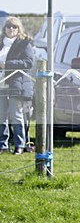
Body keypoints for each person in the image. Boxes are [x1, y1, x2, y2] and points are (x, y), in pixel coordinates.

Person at [0, 17, 34, 155]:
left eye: (14, 26)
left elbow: (28, 62)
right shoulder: (1, 43)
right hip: (1, 84)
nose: (11, 29)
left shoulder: (24, 44)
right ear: (4, 28)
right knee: (2, 116)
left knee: (16, 115)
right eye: (9, 26)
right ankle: (3, 144)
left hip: (16, 84)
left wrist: (7, 65)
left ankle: (19, 145)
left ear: (19, 28)